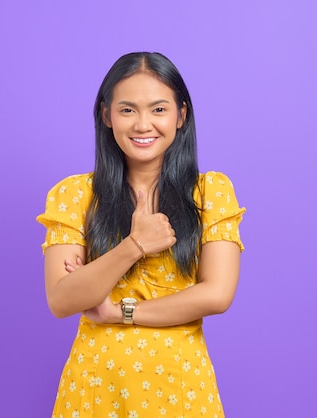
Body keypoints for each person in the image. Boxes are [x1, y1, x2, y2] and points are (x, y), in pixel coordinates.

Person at [36, 52, 245, 418]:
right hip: (96, 390)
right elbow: (62, 299)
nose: (143, 124)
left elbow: (216, 294)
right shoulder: (75, 195)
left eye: (159, 110)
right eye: (128, 110)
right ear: (107, 115)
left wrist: (120, 312)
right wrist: (134, 246)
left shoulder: (210, 192)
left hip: (181, 389)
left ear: (181, 115)